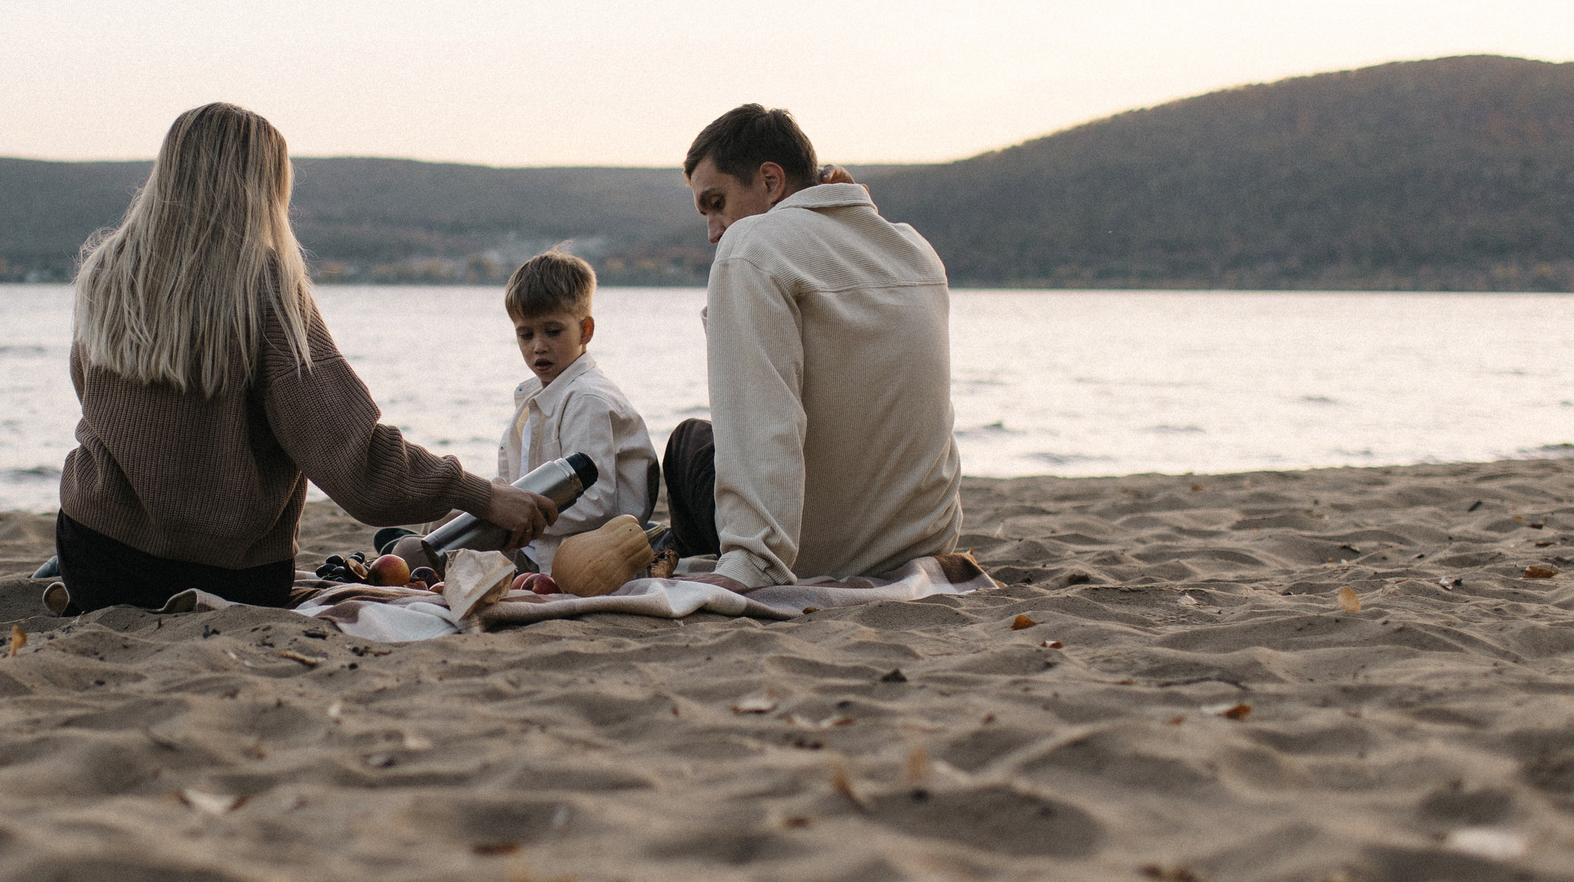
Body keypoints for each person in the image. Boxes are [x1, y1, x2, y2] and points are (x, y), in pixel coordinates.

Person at [58, 103, 555, 612]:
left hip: (94, 558)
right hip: (224, 577)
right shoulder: (264, 286)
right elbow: (352, 459)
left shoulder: (105, 272)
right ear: (264, 186)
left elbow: (96, 406)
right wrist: (482, 495)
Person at [666, 103, 962, 588]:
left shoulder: (751, 246)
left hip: (806, 551)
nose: (713, 231)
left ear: (770, 180)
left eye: (716, 203)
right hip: (920, 544)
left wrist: (752, 560)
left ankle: (681, 551)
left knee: (689, 443)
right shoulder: (916, 249)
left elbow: (762, 418)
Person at [492, 250, 659, 573]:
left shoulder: (587, 400)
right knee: (448, 518)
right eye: (525, 334)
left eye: (553, 332)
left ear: (585, 331)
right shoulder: (534, 397)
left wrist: (513, 516)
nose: (538, 346)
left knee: (419, 549)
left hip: (579, 558)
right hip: (535, 547)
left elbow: (597, 504)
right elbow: (517, 482)